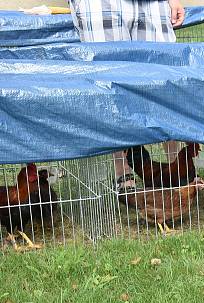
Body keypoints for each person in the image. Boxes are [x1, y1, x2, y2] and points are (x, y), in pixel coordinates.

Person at [67, 0, 186, 193]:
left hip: (153, 4)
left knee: (162, 81)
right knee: (109, 83)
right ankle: (123, 173)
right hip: (100, 4)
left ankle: (179, 169)